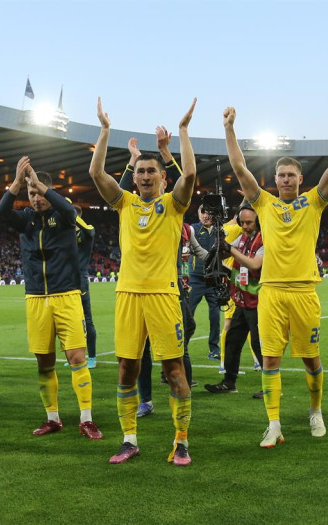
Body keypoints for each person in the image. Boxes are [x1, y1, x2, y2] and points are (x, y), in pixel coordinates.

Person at [225, 102, 328, 447]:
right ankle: (274, 424)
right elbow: (239, 167)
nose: (285, 180)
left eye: (291, 175)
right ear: (275, 179)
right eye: (281, 175)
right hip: (272, 292)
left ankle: (315, 410)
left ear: (300, 179)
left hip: (304, 291)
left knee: (311, 358)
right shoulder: (264, 203)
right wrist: (230, 128)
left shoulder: (313, 202)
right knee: (269, 359)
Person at [89, 97, 197, 466]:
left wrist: (177, 140)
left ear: (163, 177)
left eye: (153, 171)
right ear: (134, 177)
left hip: (164, 296)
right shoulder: (124, 204)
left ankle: (181, 442)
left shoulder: (173, 205)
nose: (147, 176)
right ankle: (129, 439)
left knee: (174, 371)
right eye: (141, 172)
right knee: (126, 368)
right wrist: (105, 131)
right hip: (127, 295)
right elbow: (95, 174)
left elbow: (191, 177)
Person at [0, 156, 102, 440]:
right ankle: (52, 418)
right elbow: (1, 213)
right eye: (31, 194)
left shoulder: (65, 217)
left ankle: (86, 419)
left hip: (67, 296)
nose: (35, 198)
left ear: (48, 191)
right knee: (44, 363)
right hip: (36, 299)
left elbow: (68, 208)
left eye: (39, 193)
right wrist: (18, 183)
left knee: (77, 358)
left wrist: (43, 188)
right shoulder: (25, 220)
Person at [205, 204, 264, 394]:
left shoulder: (265, 239)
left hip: (259, 302)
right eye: (242, 222)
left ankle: (272, 386)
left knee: (259, 344)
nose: (245, 226)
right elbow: (224, 253)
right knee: (232, 340)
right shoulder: (242, 238)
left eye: (249, 222)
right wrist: (219, 244)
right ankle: (229, 382)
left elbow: (254, 265)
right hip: (243, 300)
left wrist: (229, 248)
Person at [189, 204, 223, 361]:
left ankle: (214, 349)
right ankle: (181, 347)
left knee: (215, 316)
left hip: (213, 279)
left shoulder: (220, 230)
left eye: (209, 212)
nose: (205, 215)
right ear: (198, 214)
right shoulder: (192, 229)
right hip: (195, 280)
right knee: (188, 314)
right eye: (202, 212)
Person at [72, 204, 99, 369]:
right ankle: (76, 356)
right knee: (70, 320)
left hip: (80, 279)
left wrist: (71, 215)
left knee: (86, 320)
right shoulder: (65, 233)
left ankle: (92, 357)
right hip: (64, 280)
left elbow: (90, 231)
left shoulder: (86, 232)